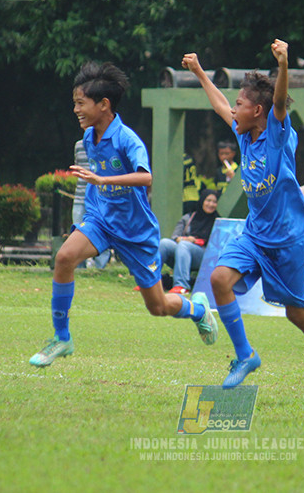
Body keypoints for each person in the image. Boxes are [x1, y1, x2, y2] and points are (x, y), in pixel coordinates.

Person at [182, 39, 304, 406]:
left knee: (297, 312)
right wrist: (199, 73)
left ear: (257, 111)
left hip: (288, 240)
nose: (234, 110)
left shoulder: (276, 133)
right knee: (218, 279)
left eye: (240, 105)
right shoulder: (244, 136)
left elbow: (279, 101)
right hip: (255, 234)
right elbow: (219, 105)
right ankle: (245, 356)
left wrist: (284, 65)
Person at [29, 61, 219, 368]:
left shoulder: (127, 139)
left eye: (81, 103)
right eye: (74, 104)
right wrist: (97, 193)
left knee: (157, 307)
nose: (76, 110)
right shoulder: (90, 137)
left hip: (135, 232)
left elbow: (146, 178)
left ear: (103, 105)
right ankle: (61, 338)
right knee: (64, 258)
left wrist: (102, 180)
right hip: (102, 221)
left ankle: (197, 310)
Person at [161, 189, 219, 294]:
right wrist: (186, 239)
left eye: (214, 202)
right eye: (208, 200)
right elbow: (175, 237)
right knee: (164, 243)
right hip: (182, 252)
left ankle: (181, 285)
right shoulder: (189, 217)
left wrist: (190, 242)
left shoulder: (218, 221)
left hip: (204, 255)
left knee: (184, 245)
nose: (211, 204)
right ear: (202, 201)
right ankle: (150, 282)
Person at [71, 139, 112, 270]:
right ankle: (79, 268)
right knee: (78, 232)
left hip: (100, 198)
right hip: (80, 196)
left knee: (103, 231)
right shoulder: (78, 145)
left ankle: (100, 268)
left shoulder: (106, 145)